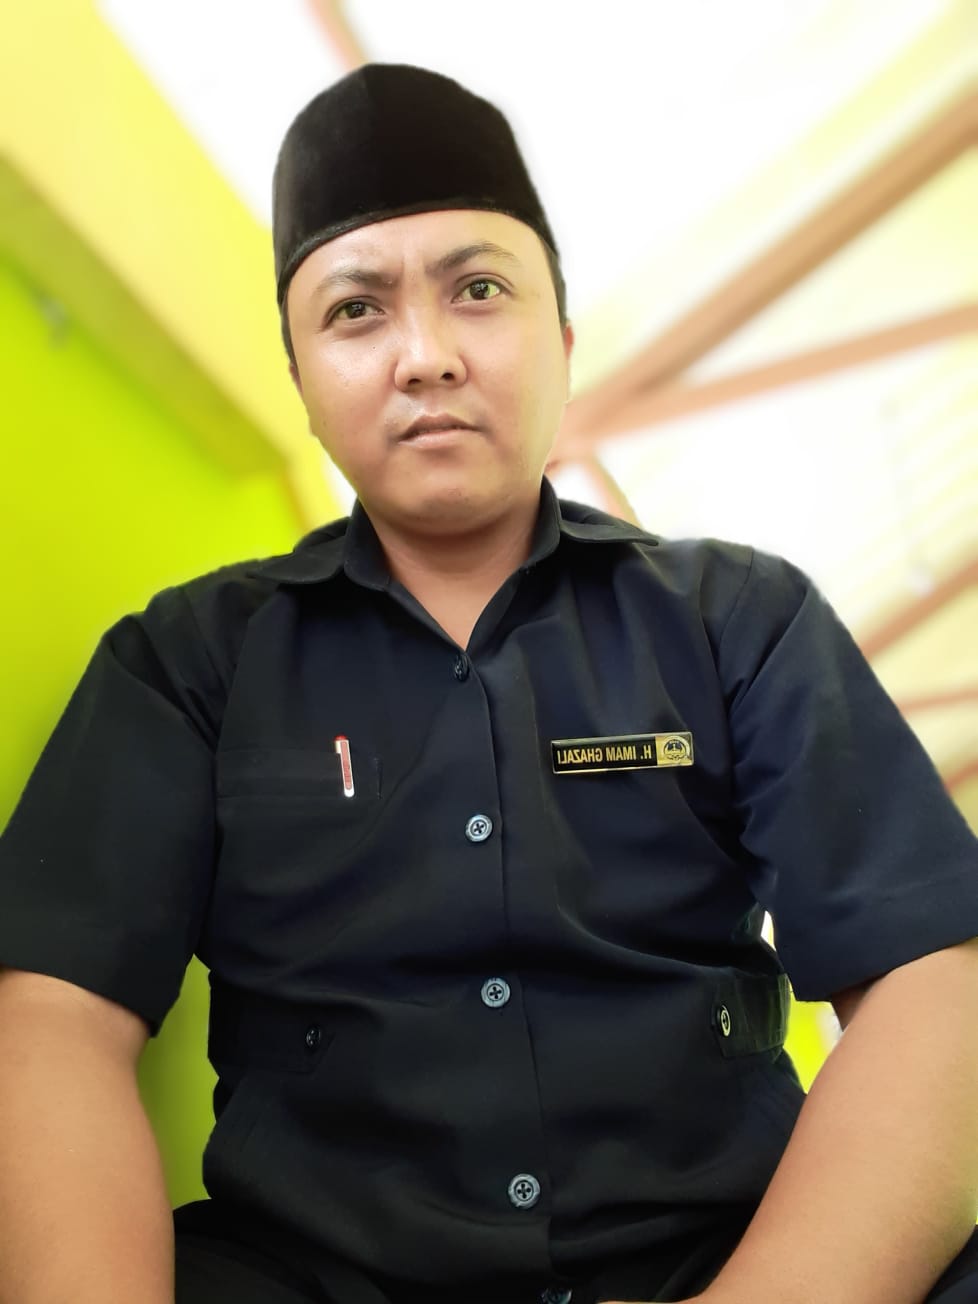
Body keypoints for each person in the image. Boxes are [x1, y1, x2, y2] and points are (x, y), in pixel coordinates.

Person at [0, 62, 977, 1304]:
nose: (426, 356)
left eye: (477, 290)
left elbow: (927, 977)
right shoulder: (190, 661)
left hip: (725, 1259)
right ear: (301, 382)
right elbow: (55, 1013)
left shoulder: (738, 619)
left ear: (561, 344)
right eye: (356, 310)